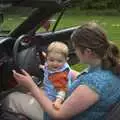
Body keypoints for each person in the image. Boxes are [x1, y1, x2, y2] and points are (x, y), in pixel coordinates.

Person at [4, 22, 120, 120]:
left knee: (12, 97)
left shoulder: (92, 86)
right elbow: (82, 77)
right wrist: (57, 66)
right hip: (66, 101)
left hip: (57, 114)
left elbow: (58, 115)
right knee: (28, 88)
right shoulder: (106, 66)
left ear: (88, 52)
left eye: (76, 49)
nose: (75, 51)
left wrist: (32, 87)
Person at [40, 41, 78, 119]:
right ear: (47, 58)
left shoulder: (59, 76)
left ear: (66, 60)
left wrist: (58, 101)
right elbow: (49, 66)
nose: (55, 64)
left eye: (59, 61)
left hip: (54, 97)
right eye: (51, 60)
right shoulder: (58, 66)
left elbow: (62, 90)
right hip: (51, 88)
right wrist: (43, 67)